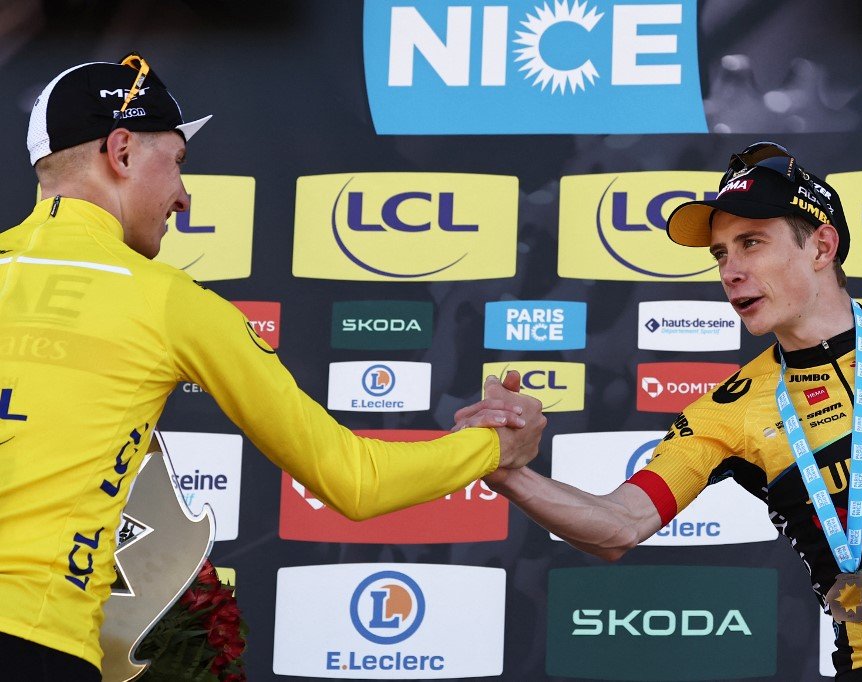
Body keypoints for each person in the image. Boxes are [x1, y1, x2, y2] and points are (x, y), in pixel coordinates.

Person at [0, 54, 545, 681]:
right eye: (177, 162)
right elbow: (356, 480)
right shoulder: (170, 302)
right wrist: (495, 446)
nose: (184, 196)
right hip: (33, 640)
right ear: (121, 152)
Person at [460, 142, 862, 680]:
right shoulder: (727, 410)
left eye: (751, 243)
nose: (730, 271)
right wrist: (507, 472)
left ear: (822, 247)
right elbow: (618, 526)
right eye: (721, 254)